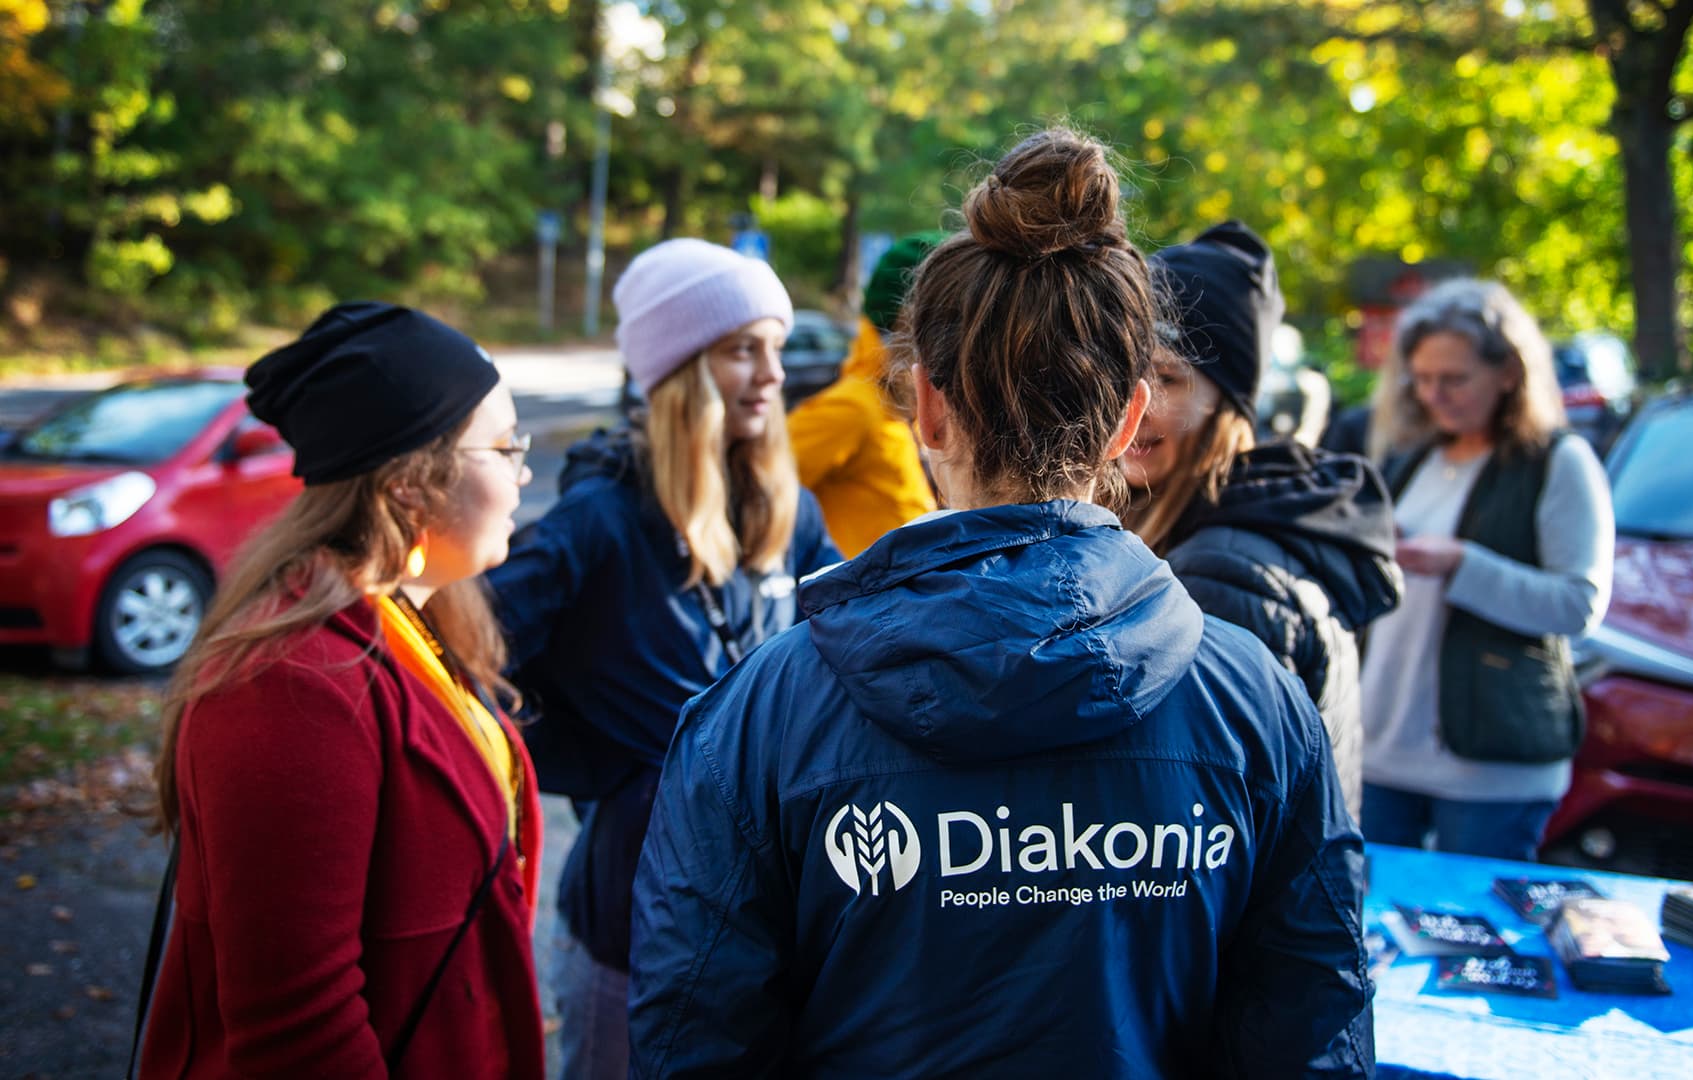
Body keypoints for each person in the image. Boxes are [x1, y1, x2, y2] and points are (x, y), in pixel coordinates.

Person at [628, 129, 1371, 1078]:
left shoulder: (763, 715)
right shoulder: (1256, 703)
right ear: (1128, 420)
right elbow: (1316, 1030)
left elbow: (692, 1041)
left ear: (928, 410)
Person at [138, 302, 544, 1077]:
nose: (525, 468)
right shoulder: (286, 685)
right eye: (503, 445)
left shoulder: (410, 625)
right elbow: (299, 1035)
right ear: (407, 487)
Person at [486, 238, 838, 1080]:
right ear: (679, 371)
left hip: (772, 920)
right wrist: (592, 760)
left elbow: (841, 671)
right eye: (741, 349)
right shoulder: (601, 517)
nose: (772, 375)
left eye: (776, 349)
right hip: (631, 925)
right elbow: (466, 657)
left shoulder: (794, 516)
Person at [1123, 221, 1402, 818]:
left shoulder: (1221, 572)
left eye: (1166, 378)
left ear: (1229, 402)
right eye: (1122, 375)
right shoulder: (1208, 532)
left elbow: (1205, 821)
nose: (1133, 403)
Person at [1358, 278, 1614, 861]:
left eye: (1454, 379)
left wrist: (1461, 565)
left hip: (1492, 768)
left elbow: (1579, 605)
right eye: (1421, 379)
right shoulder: (1415, 459)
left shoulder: (1559, 461)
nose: (1434, 395)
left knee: (1473, 933)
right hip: (1384, 750)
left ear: (1509, 374)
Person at [786, 231, 942, 555]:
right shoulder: (854, 407)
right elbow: (753, 494)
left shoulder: (905, 408)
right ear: (906, 325)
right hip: (853, 602)